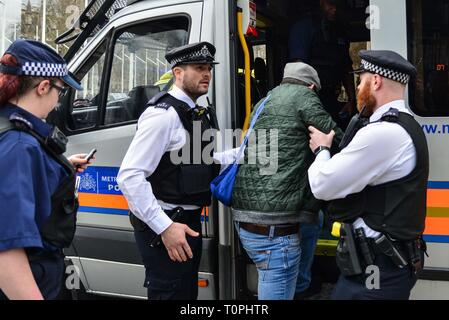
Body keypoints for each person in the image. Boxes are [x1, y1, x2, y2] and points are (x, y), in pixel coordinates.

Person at [307, 50, 429, 300]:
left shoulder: (383, 133)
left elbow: (322, 184)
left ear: (375, 81)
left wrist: (321, 149)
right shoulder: (407, 124)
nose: (358, 87)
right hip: (381, 267)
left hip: (375, 273)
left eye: (360, 80)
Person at [117, 42, 221, 300]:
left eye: (208, 68)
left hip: (187, 223)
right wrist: (165, 227)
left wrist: (244, 154)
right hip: (167, 224)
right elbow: (129, 177)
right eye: (199, 68)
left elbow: (194, 160)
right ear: (178, 73)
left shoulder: (193, 111)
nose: (207, 73)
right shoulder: (163, 115)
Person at [231, 62, 343, 300]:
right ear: (312, 86)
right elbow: (335, 137)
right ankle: (303, 285)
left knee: (315, 219)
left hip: (246, 216)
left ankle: (302, 284)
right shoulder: (304, 97)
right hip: (274, 226)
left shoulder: (263, 102)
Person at [0, 39, 92, 300]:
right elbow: (6, 250)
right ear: (43, 87)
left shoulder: (12, 130)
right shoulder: (19, 144)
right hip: (30, 279)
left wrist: (55, 168)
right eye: (60, 91)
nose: (58, 98)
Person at [288, 0, 356, 129]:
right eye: (330, 4)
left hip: (332, 96)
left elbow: (346, 68)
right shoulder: (303, 28)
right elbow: (297, 69)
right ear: (320, 3)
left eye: (337, 5)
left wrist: (351, 100)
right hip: (310, 98)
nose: (334, 9)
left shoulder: (338, 31)